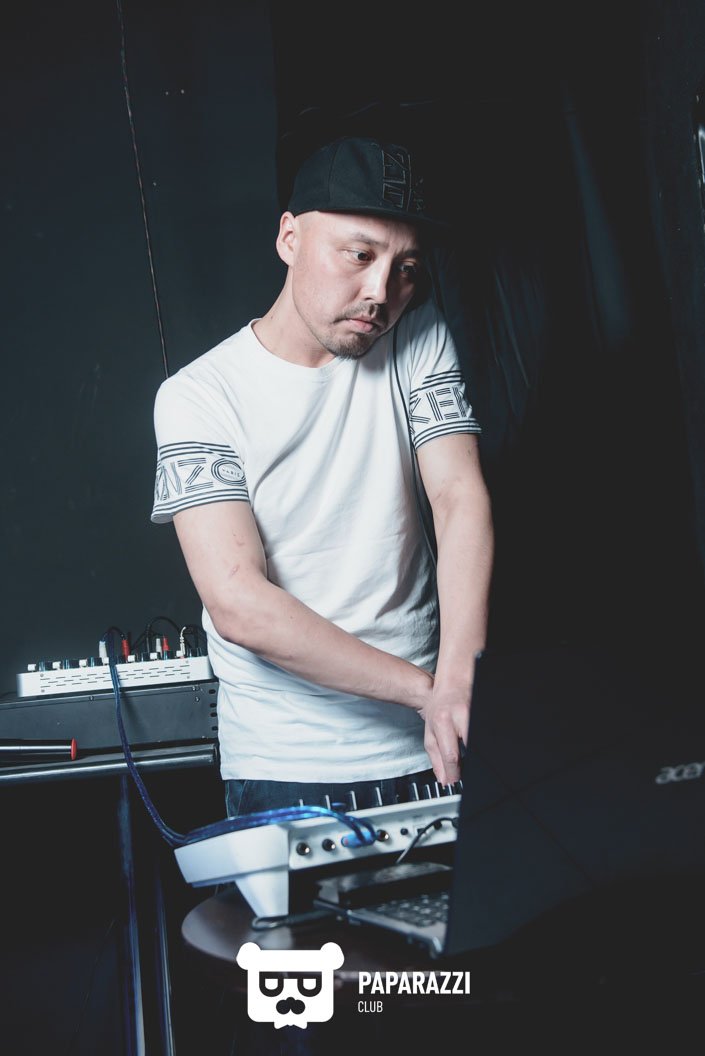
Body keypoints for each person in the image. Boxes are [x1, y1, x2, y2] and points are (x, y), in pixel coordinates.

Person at [150, 134, 494, 823]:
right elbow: (239, 604)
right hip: (289, 767)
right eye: (359, 255)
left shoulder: (414, 334)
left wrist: (457, 684)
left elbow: (458, 497)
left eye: (405, 267)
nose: (381, 293)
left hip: (436, 745)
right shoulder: (198, 395)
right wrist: (426, 692)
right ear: (289, 238)